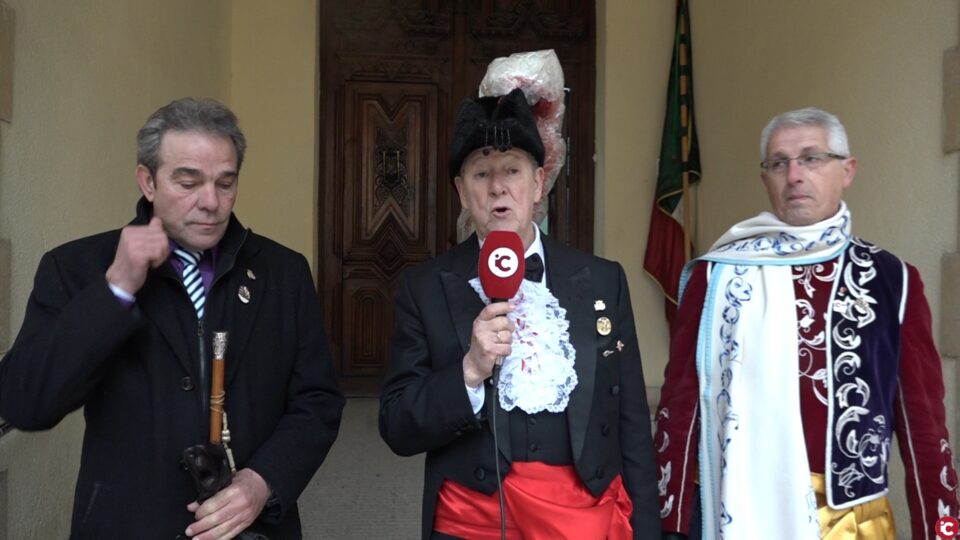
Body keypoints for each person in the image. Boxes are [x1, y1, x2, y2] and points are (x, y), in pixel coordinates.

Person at [0, 98, 345, 539]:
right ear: (148, 181)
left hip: (250, 528)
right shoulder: (75, 267)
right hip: (128, 525)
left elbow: (318, 400)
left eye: (225, 183)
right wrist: (114, 292)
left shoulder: (284, 272)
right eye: (188, 182)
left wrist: (263, 482)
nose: (211, 202)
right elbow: (25, 402)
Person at [655, 107, 959, 539]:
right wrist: (668, 525)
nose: (794, 175)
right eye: (779, 163)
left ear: (847, 170)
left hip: (852, 525)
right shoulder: (717, 275)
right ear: (765, 178)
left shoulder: (890, 279)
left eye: (812, 158)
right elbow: (680, 408)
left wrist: (944, 531)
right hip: (735, 512)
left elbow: (923, 426)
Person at [378, 88, 660, 539]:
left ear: (539, 183)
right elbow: (397, 427)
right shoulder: (423, 288)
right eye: (480, 173)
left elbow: (632, 424)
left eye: (512, 170)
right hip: (473, 522)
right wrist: (469, 371)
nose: (498, 187)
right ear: (462, 192)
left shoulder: (604, 280)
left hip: (581, 517)